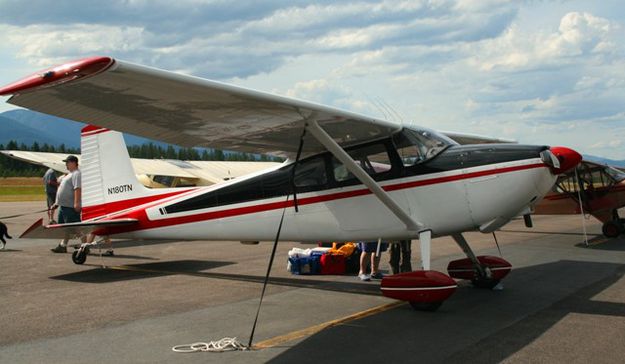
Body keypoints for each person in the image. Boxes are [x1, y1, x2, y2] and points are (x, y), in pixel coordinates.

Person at [50, 155, 84, 253]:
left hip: (70, 206)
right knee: (65, 227)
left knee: (76, 227)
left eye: (67, 162)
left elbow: (77, 188)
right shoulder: (69, 174)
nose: (66, 164)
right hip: (63, 206)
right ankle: (63, 245)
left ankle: (85, 246)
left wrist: (77, 203)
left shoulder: (77, 174)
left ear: (73, 163)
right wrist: (57, 203)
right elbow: (62, 189)